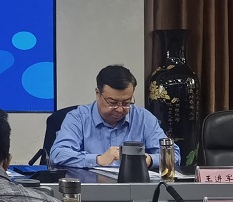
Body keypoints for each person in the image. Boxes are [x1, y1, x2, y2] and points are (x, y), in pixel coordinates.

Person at [47, 64, 179, 170]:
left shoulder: (143, 118)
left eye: (126, 102)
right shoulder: (78, 118)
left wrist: (149, 160)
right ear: (98, 94)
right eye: (113, 102)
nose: (120, 109)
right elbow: (58, 154)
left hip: (134, 189)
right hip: (90, 189)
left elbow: (174, 155)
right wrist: (98, 159)